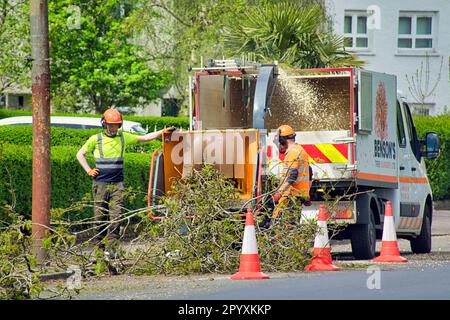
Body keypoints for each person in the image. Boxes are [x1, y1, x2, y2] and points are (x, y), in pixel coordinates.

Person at [76, 108, 175, 251]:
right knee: (99, 219)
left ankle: (112, 252)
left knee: (116, 219)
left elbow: (145, 137)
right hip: (100, 184)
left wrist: (162, 132)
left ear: (119, 125)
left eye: (115, 125)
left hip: (117, 185)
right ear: (104, 124)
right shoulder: (95, 139)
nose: (113, 127)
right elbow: (80, 154)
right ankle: (99, 251)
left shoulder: (123, 137)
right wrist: (89, 170)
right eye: (110, 124)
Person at [260, 125, 311, 228]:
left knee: (287, 227)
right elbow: (310, 173)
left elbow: (292, 176)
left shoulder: (293, 153)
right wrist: (307, 194)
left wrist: (279, 193)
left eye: (279, 142)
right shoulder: (301, 150)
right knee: (291, 225)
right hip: (298, 195)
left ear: (283, 140)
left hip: (291, 196)